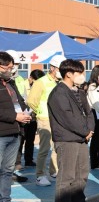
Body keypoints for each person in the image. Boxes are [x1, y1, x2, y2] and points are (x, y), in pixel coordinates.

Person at [47, 58, 95, 202]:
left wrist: (90, 129)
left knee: (82, 173)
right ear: (68, 74)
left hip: (81, 138)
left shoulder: (79, 91)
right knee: (66, 176)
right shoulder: (58, 93)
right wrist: (84, 131)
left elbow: (89, 112)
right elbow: (67, 118)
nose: (83, 75)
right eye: (79, 72)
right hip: (67, 139)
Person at [0, 51, 31, 202]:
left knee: (7, 170)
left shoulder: (10, 83)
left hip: (15, 131)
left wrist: (26, 113)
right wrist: (15, 116)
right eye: (8, 67)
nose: (11, 70)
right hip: (2, 133)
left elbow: (20, 102)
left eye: (12, 67)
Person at [27, 54, 65, 186]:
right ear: (53, 68)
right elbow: (31, 101)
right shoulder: (41, 82)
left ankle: (54, 171)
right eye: (60, 68)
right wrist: (40, 112)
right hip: (45, 118)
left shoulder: (60, 83)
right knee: (44, 148)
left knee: (56, 147)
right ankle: (40, 175)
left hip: (58, 119)